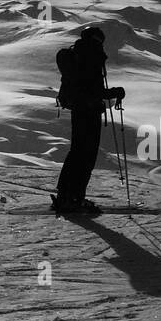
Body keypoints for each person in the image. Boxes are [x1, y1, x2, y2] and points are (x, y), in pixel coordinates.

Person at [53, 25, 122, 214]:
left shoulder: (78, 54)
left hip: (78, 110)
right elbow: (95, 89)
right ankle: (75, 197)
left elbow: (86, 86)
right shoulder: (91, 55)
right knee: (87, 155)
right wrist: (116, 92)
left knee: (76, 152)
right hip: (89, 111)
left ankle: (64, 195)